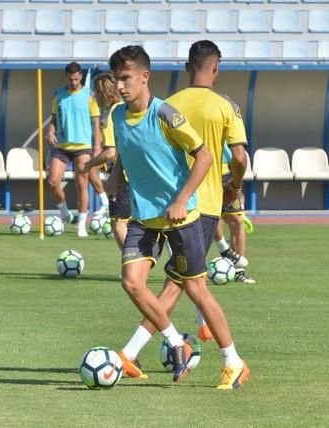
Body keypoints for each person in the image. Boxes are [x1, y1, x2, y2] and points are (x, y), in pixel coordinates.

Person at [109, 45, 248, 389]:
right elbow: (126, 152)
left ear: (145, 77)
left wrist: (182, 199)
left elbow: (204, 157)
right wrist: (116, 177)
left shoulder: (167, 113)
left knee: (195, 289)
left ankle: (234, 362)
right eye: (116, 79)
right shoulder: (115, 115)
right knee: (132, 283)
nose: (120, 86)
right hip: (144, 216)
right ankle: (176, 343)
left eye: (126, 78)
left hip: (184, 215)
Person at [47, 62, 109, 237]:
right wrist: (51, 131)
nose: (74, 82)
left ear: (81, 76)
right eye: (71, 78)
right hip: (62, 146)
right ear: (66, 76)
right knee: (52, 182)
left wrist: (97, 147)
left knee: (82, 183)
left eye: (76, 78)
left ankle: (81, 224)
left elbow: (96, 123)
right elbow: (53, 118)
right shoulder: (58, 95)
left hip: (83, 147)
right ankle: (65, 213)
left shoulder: (90, 96)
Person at [78, 73, 129, 252]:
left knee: (119, 225)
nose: (93, 97)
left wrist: (88, 164)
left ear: (103, 93)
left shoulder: (110, 116)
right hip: (141, 172)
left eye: (95, 93)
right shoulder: (126, 108)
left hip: (124, 175)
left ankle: (132, 266)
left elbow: (110, 152)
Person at [215, 144, 256, 284]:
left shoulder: (231, 122)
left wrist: (236, 182)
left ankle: (239, 271)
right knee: (210, 218)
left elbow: (239, 155)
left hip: (227, 173)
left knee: (237, 220)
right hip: (204, 171)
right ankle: (223, 248)